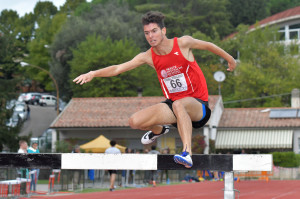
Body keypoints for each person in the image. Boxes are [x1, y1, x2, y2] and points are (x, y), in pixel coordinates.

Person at [73, 11, 236, 168]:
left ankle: (187, 153)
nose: (151, 36)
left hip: (198, 107)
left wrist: (230, 59)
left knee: (179, 104)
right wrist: (93, 73)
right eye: (147, 33)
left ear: (163, 31)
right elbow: (117, 69)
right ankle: (159, 130)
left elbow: (208, 46)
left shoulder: (183, 43)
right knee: (135, 121)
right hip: (174, 106)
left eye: (154, 31)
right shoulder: (148, 56)